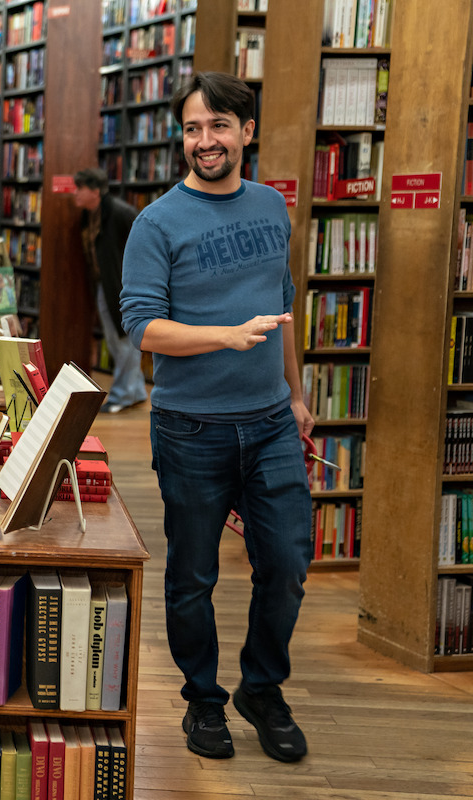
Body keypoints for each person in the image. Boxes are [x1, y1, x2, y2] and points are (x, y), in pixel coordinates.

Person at [120, 71, 313, 764]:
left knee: (288, 563)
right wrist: (225, 336)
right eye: (194, 128)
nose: (206, 141)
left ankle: (263, 688)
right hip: (191, 428)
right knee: (192, 578)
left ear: (246, 132)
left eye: (219, 126)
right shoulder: (156, 223)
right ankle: (203, 701)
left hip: (269, 424)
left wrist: (294, 394)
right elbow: (142, 328)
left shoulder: (270, 206)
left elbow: (284, 305)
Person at [72, 167, 145, 413]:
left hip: (122, 286)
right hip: (104, 284)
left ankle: (122, 395)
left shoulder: (119, 213)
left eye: (80, 189)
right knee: (116, 341)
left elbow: (144, 242)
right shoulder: (89, 214)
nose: (75, 195)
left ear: (94, 191)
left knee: (124, 339)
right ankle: (135, 391)